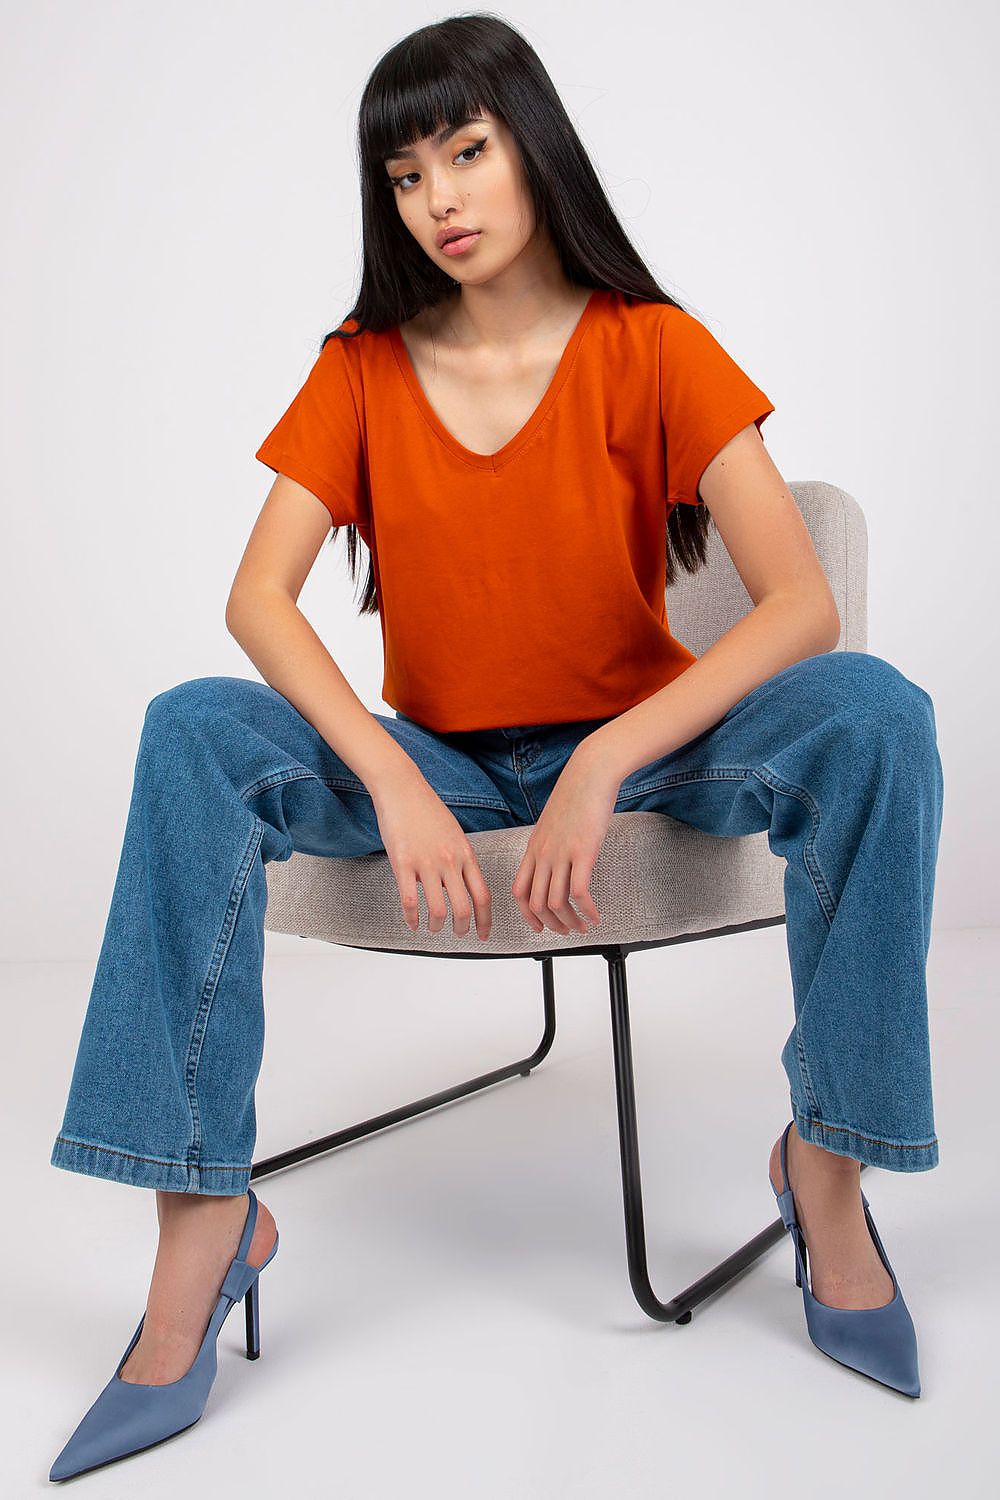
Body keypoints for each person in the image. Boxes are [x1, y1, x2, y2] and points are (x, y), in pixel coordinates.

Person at [47, 11, 944, 1482]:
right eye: (405, 176)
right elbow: (254, 602)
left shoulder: (654, 347)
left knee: (879, 712)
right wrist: (392, 774)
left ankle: (825, 1174)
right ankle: (206, 1227)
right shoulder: (360, 369)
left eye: (466, 152)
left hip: (653, 753)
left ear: (535, 146)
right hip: (447, 765)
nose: (440, 199)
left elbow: (800, 606)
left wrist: (601, 761)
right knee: (189, 734)